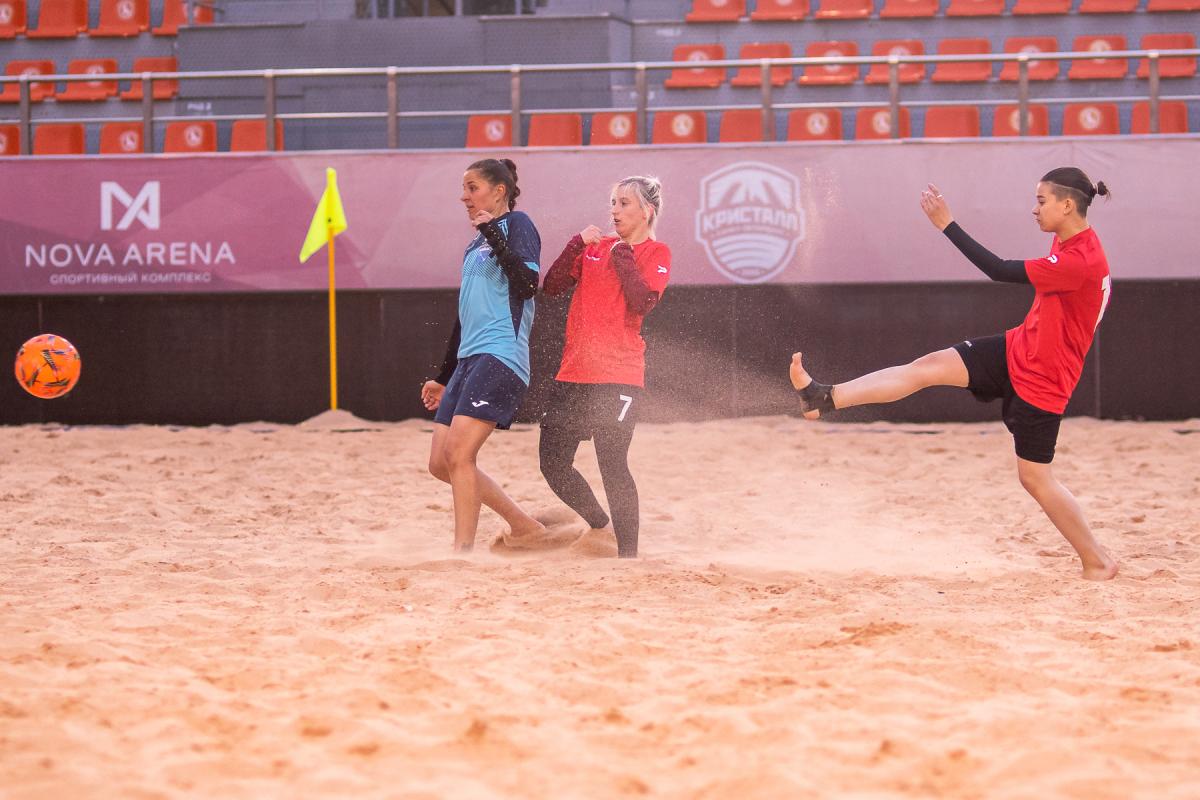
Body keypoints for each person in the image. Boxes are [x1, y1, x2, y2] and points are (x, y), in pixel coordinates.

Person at [789, 167, 1119, 581]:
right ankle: (823, 397)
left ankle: (1098, 561)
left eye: (1041, 201)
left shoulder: (1079, 261)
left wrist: (947, 224)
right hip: (1018, 348)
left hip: (1045, 380)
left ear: (1067, 205)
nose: (1034, 209)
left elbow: (998, 269)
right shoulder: (1072, 239)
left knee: (1036, 479)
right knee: (927, 367)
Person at [538, 176, 672, 558]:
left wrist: (622, 254)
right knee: (553, 464)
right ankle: (600, 525)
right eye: (613, 202)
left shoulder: (657, 252)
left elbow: (642, 302)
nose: (614, 210)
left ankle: (628, 557)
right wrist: (575, 244)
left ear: (646, 211)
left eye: (624, 203)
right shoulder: (594, 248)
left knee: (612, 464)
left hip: (619, 376)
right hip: (575, 371)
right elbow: (552, 286)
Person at [421, 158, 546, 553]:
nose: (464, 196)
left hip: (501, 353)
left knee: (459, 454)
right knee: (440, 463)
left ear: (499, 191)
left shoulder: (517, 224)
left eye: (472, 187)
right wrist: (443, 376)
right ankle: (524, 526)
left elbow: (528, 285)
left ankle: (462, 553)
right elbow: (464, 317)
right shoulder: (474, 244)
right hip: (469, 359)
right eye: (464, 188)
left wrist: (491, 230)